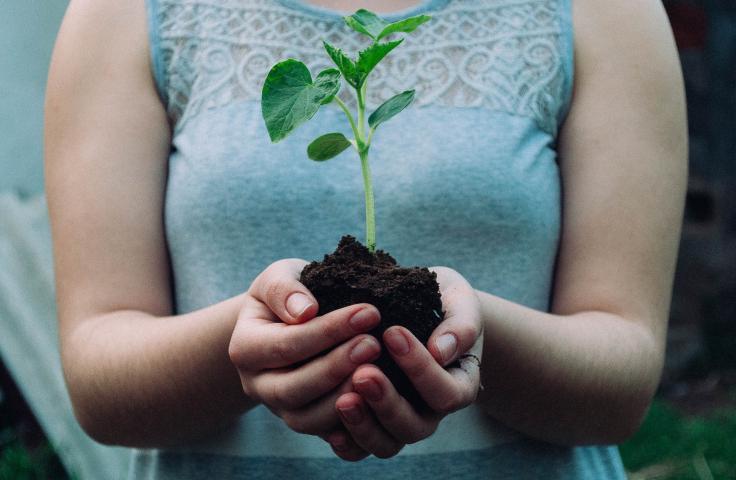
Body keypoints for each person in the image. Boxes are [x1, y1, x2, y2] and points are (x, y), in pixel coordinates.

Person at [44, 0, 687, 478]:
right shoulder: (126, 13)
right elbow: (100, 384)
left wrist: (475, 333)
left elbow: (622, 381)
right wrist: (247, 347)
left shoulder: (605, 12)